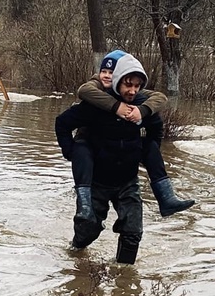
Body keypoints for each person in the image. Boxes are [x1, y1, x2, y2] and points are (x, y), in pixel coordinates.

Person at [55, 54, 162, 264]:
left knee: (133, 233)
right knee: (88, 230)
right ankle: (75, 255)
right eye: (128, 85)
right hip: (97, 180)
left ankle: (124, 281)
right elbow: (62, 124)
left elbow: (156, 128)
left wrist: (147, 150)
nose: (132, 91)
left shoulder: (141, 106)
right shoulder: (95, 104)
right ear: (117, 81)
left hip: (128, 181)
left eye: (137, 86)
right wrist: (71, 152)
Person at [68, 50, 195, 223]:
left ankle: (166, 198)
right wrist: (116, 107)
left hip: (124, 171)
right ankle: (84, 208)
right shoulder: (94, 89)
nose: (107, 76)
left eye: (111, 73)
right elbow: (82, 93)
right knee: (88, 227)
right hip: (94, 156)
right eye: (104, 72)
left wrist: (142, 116)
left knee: (132, 232)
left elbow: (159, 99)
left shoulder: (133, 93)